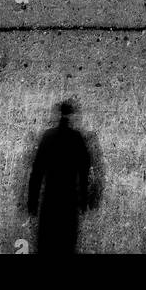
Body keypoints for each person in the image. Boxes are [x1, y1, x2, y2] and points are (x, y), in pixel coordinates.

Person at [27, 99, 101, 253]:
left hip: (50, 200)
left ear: (58, 115)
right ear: (72, 116)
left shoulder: (49, 136)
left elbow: (37, 171)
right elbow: (83, 172)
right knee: (66, 245)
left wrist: (32, 202)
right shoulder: (76, 138)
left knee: (46, 245)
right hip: (68, 201)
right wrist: (84, 201)